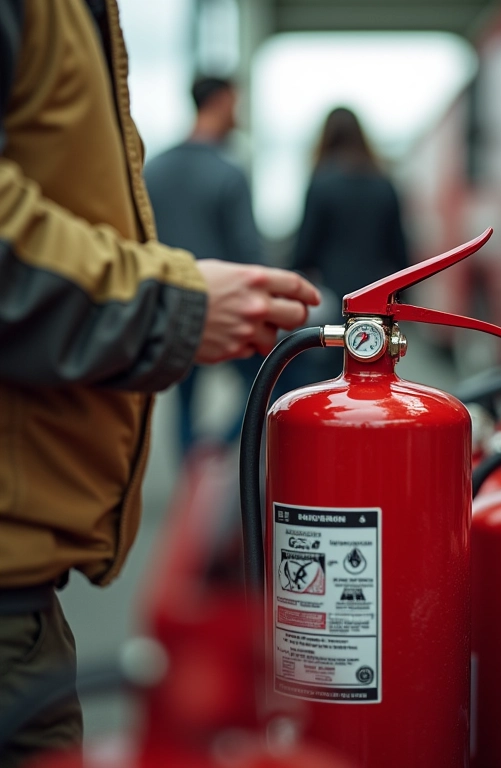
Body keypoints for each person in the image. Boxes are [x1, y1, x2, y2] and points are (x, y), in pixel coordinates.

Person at [0, 2, 319, 766]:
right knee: (241, 416)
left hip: (134, 338)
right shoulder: (225, 170)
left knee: (177, 415)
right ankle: (213, 466)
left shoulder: (165, 160)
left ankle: (190, 463)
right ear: (225, 100)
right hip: (170, 312)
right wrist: (177, 304)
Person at [144, 76, 266, 456]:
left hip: (171, 305)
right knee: (265, 382)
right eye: (235, 102)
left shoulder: (155, 169)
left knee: (183, 399)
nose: (238, 113)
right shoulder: (228, 172)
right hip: (226, 308)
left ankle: (190, 477)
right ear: (221, 101)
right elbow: (249, 251)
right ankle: (216, 453)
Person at [291, 106, 410, 383]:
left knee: (328, 381)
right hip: (377, 301)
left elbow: (304, 250)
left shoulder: (321, 183)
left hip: (333, 300)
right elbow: (400, 249)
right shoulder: (384, 184)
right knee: (375, 378)